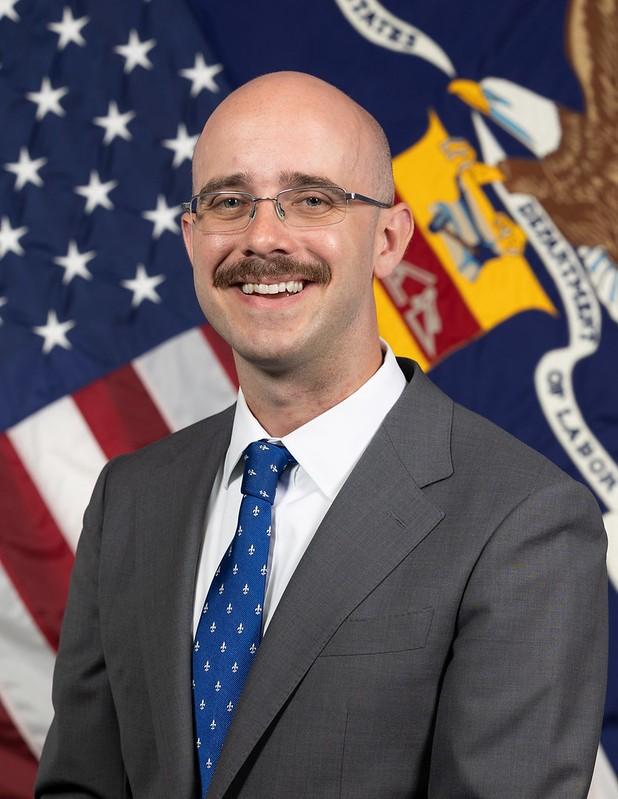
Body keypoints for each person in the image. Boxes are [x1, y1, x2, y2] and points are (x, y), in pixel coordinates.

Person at [36, 72, 607, 799]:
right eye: (228, 201)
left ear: (389, 239)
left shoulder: (524, 521)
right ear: (191, 237)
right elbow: (79, 786)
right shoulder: (130, 498)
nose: (263, 237)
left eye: (312, 199)